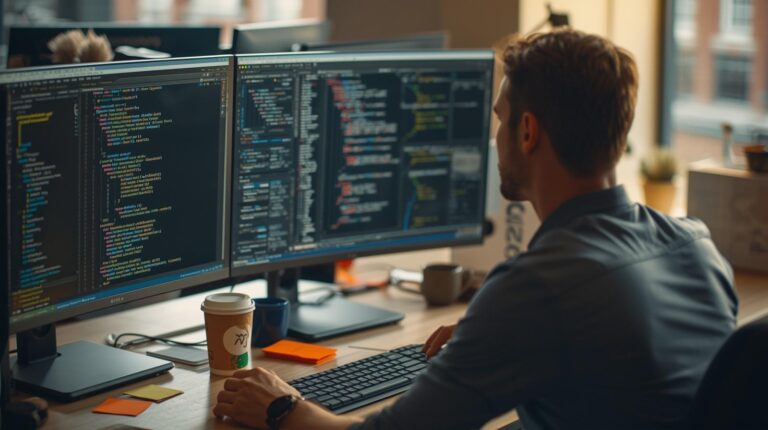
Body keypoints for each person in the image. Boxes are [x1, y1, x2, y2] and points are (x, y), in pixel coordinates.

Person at [213, 29, 737, 430]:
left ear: (528, 132)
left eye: (501, 119)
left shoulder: (538, 288)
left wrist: (283, 406)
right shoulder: (696, 243)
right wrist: (493, 336)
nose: (497, 135)